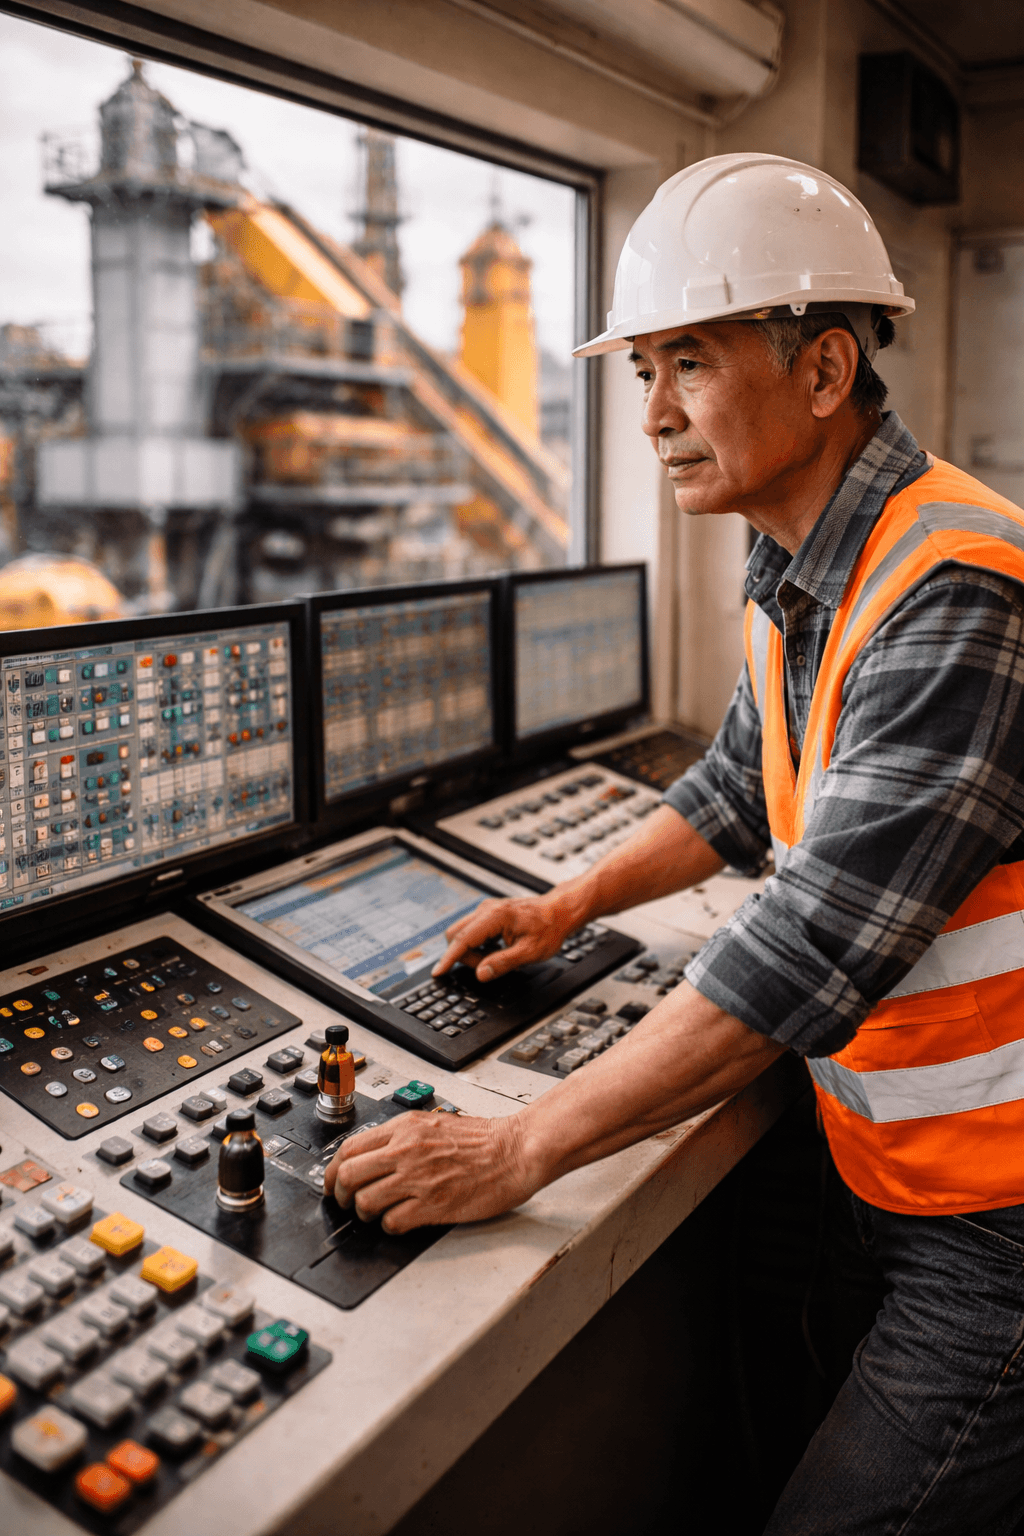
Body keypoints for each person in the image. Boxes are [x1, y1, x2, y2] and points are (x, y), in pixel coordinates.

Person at [323, 154, 1024, 1533]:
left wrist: (521, 1151)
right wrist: (568, 902)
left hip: (1000, 1217)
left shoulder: (956, 593)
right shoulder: (812, 559)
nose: (651, 415)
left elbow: (812, 946)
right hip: (883, 1162)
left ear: (824, 374)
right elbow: (733, 791)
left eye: (686, 365)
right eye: (642, 372)